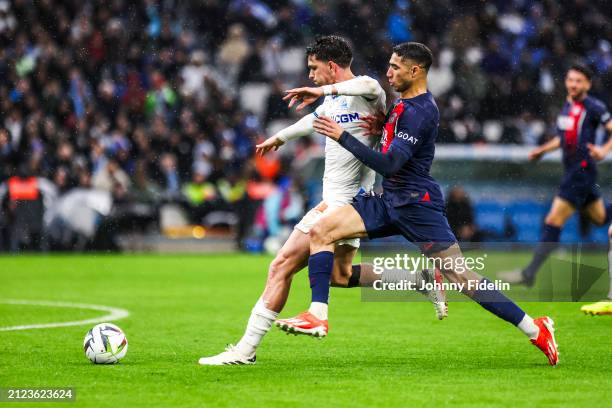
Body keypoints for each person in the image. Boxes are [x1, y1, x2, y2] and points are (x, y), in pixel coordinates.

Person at [277, 42, 559, 366]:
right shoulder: (401, 104)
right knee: (321, 231)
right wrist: (380, 127)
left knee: (463, 279)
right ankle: (318, 315)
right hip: (388, 200)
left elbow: (390, 165)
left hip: (417, 205)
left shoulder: (421, 111)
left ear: (415, 71)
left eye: (395, 67)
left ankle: (535, 328)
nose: (388, 72)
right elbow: (391, 142)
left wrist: (343, 136)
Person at [198, 36, 446, 366]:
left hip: (346, 204)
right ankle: (416, 279)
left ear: (331, 66)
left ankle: (246, 350)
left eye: (314, 69)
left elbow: (359, 85)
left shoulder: (368, 90)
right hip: (345, 202)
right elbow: (312, 120)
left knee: (281, 265)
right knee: (339, 275)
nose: (311, 76)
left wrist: (324, 91)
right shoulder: (335, 103)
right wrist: (279, 138)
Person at [497, 65, 612, 316]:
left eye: (578, 81)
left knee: (553, 220)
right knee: (601, 218)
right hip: (575, 172)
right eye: (570, 79)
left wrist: (604, 150)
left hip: (581, 172)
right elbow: (563, 139)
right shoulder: (567, 106)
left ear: (588, 84)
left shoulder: (594, 107)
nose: (573, 84)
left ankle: (529, 273)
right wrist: (542, 150)